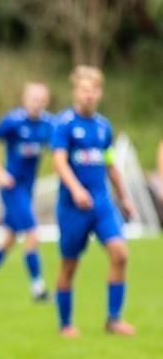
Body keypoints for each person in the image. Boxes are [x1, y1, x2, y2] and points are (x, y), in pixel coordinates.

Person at [51, 65, 136, 337]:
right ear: (75, 91)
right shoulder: (63, 124)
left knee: (120, 253)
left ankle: (113, 319)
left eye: (94, 90)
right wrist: (76, 189)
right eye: (84, 89)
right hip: (72, 207)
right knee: (69, 265)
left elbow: (109, 163)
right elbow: (59, 161)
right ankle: (65, 324)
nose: (89, 95)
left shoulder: (103, 126)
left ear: (99, 93)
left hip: (101, 203)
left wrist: (124, 196)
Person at [0, 82, 54, 301]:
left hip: (27, 188)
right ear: (25, 99)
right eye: (34, 98)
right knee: (32, 232)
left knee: (8, 239)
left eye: (42, 99)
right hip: (11, 186)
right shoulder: (13, 121)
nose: (38, 103)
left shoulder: (47, 124)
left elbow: (58, 148)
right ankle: (38, 288)